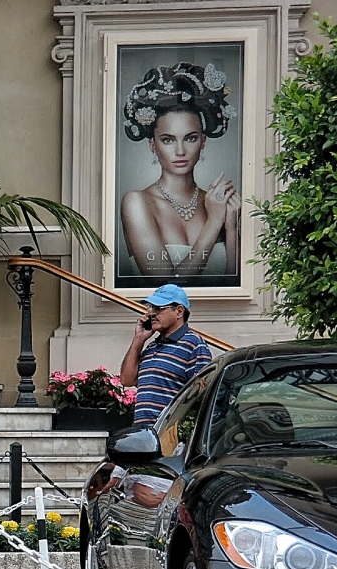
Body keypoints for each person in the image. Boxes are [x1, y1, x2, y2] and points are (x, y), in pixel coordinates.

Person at [120, 62, 240, 283]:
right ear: (152, 145)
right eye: (168, 140)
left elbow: (233, 284)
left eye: (190, 138)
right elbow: (166, 285)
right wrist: (214, 221)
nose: (180, 150)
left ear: (203, 142)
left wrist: (230, 227)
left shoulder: (216, 202)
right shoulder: (137, 202)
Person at [120, 283, 213, 426]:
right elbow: (127, 380)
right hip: (143, 436)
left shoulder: (194, 344)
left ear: (179, 311)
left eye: (159, 308)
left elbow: (202, 396)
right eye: (151, 307)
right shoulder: (152, 346)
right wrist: (139, 339)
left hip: (169, 437)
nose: (151, 313)